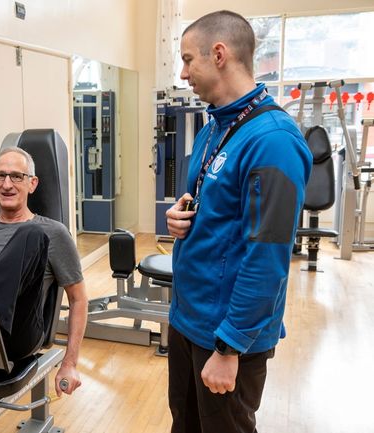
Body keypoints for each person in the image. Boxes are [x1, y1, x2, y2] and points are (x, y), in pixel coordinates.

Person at [165, 10, 312, 433]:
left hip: (228, 335)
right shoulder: (215, 127)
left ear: (219, 54)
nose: (183, 72)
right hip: (188, 318)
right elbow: (204, 201)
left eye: (188, 59)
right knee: (185, 425)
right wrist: (180, 216)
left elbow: (267, 257)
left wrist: (230, 349)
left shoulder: (273, 141)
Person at [0, 146, 88, 396]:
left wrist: (69, 364)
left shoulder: (52, 232)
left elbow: (78, 299)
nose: (6, 184)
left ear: (32, 184)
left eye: (16, 177)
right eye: (0, 176)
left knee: (30, 235)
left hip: (15, 334)